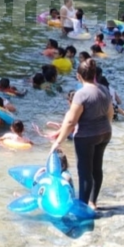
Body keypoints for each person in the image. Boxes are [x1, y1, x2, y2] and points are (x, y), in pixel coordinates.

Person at [49, 59, 113, 208]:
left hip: (86, 137)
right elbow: (110, 113)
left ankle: (82, 207)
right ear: (94, 74)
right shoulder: (104, 89)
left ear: (79, 76)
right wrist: (105, 127)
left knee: (85, 172)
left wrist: (58, 142)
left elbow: (71, 122)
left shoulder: (81, 94)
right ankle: (93, 202)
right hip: (105, 133)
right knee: (97, 168)